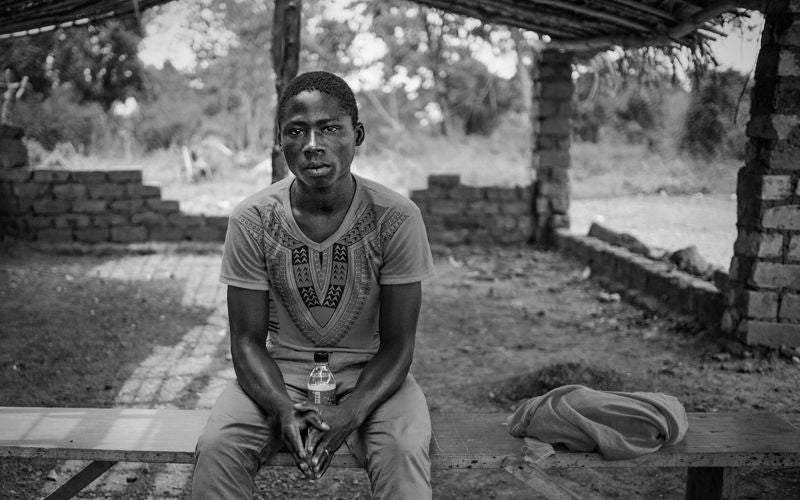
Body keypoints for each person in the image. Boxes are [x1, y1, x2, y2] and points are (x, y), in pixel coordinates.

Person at [192, 70, 436, 500]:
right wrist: (282, 408)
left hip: (372, 376)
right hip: (279, 374)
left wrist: (352, 412)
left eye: (329, 128)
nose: (312, 145)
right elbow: (247, 342)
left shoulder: (396, 218)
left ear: (356, 134)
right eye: (296, 131)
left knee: (403, 450)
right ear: (280, 141)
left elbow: (399, 345)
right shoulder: (253, 220)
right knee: (218, 448)